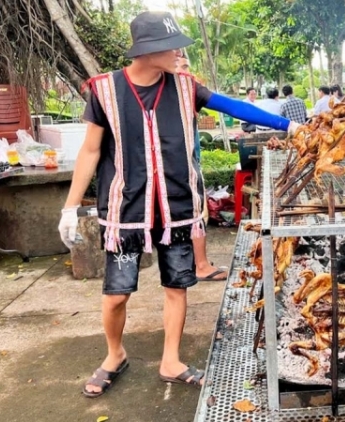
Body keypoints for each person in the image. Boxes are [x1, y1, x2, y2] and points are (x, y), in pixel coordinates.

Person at [57, 11, 300, 398]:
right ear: (147, 51)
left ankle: (171, 360)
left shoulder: (186, 87)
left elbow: (234, 106)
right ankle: (114, 354)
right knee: (116, 293)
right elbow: (90, 151)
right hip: (126, 210)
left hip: (177, 208)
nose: (178, 54)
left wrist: (291, 126)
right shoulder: (104, 90)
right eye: (170, 47)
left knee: (177, 286)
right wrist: (71, 208)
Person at [175, 51, 228, 282]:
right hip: (183, 162)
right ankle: (202, 265)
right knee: (197, 210)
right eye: (181, 66)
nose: (187, 72)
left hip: (190, 153)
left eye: (187, 67)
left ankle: (193, 262)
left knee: (195, 209)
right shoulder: (177, 90)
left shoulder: (188, 89)